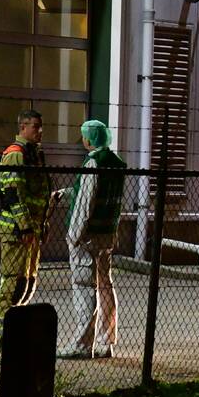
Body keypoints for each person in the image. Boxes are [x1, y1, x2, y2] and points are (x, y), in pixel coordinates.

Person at [55, 120, 127, 359]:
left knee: (84, 287)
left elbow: (86, 203)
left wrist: (74, 236)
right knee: (106, 284)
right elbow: (94, 191)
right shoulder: (116, 163)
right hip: (107, 234)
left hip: (87, 236)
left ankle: (83, 345)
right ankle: (107, 342)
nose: (82, 140)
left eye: (83, 136)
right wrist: (65, 194)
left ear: (89, 139)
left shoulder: (93, 162)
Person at [0, 109, 52, 348]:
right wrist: (26, 227)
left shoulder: (34, 154)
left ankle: (15, 328)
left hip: (32, 229)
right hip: (16, 230)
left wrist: (42, 223)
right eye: (35, 126)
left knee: (27, 282)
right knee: (11, 281)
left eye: (40, 125)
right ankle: (1, 334)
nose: (40, 130)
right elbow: (13, 194)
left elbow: (39, 193)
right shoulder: (16, 154)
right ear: (23, 127)